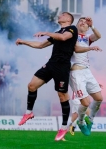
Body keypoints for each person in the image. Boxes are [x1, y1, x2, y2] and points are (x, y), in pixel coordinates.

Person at [15, 12, 78, 141]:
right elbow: (40, 45)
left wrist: (47, 32)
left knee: (62, 95)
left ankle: (64, 127)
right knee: (32, 86)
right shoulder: (57, 33)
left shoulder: (72, 29)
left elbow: (64, 38)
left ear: (68, 19)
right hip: (51, 64)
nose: (60, 15)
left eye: (63, 14)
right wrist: (23, 42)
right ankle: (29, 113)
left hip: (62, 66)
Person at [69, 16, 103, 136]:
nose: (83, 23)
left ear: (87, 27)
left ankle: (91, 120)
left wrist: (92, 25)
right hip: (76, 72)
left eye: (85, 22)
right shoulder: (72, 36)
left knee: (99, 98)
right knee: (85, 102)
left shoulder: (87, 38)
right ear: (76, 25)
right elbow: (76, 49)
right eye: (80, 21)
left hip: (87, 71)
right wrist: (91, 47)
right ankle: (81, 122)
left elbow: (98, 36)